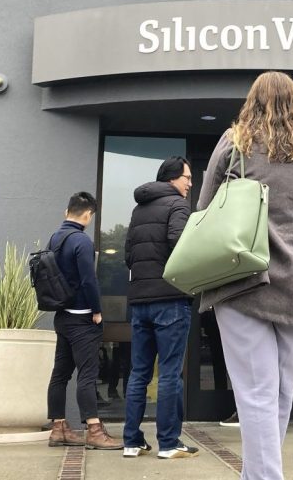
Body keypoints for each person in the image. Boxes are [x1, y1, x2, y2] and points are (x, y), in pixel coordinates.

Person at [196, 71, 293, 480]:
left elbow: (206, 207)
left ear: (252, 101)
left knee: (256, 393)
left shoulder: (235, 142)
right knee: (279, 392)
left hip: (240, 280)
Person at [122, 156, 199, 459]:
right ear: (172, 179)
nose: (190, 184)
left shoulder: (139, 209)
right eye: (187, 178)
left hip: (140, 302)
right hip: (170, 300)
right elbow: (179, 242)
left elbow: (128, 255)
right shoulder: (178, 205)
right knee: (169, 373)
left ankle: (131, 441)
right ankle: (168, 443)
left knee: (139, 373)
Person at [46, 192, 123, 450]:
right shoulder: (82, 241)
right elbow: (90, 281)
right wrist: (97, 311)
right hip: (81, 318)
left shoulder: (55, 238)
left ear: (66, 211)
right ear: (88, 215)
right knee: (87, 375)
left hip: (62, 317)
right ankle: (93, 430)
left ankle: (59, 428)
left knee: (60, 374)